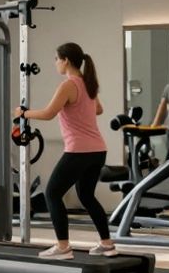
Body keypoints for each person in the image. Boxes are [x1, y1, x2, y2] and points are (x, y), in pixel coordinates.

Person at [14, 42, 118, 258]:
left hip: (78, 150)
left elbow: (48, 113)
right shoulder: (88, 83)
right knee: (87, 196)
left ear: (66, 60)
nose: (55, 64)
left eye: (56, 59)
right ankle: (107, 244)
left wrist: (23, 113)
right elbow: (98, 109)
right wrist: (80, 111)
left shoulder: (69, 85)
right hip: (98, 150)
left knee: (52, 193)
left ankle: (63, 247)